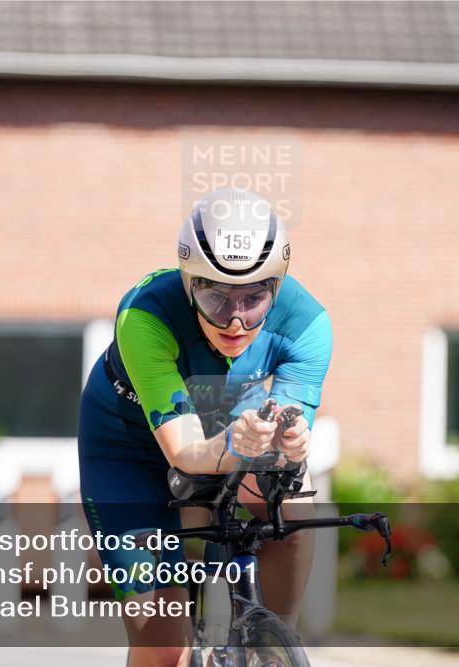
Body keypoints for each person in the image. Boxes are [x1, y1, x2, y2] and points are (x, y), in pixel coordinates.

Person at [77, 188, 333, 667]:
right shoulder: (145, 315)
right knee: (165, 649)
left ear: (277, 286)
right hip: (131, 448)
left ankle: (272, 644)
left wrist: (290, 443)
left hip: (226, 424)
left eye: (254, 299)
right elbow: (184, 450)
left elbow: (285, 435)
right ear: (187, 280)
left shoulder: (308, 324)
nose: (235, 320)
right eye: (215, 297)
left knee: (292, 502)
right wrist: (239, 442)